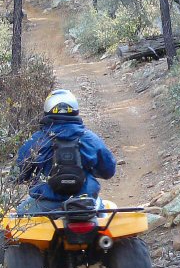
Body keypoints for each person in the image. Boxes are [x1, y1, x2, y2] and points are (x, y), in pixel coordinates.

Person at [14, 88, 116, 216]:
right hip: (85, 203)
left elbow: (18, 173)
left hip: (45, 205)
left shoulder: (37, 140)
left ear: (48, 109)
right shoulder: (89, 138)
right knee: (106, 219)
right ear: (75, 110)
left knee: (15, 221)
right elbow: (108, 170)